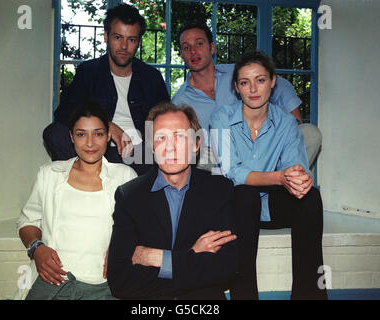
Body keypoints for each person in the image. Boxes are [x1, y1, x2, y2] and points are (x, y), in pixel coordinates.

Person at [210, 51, 328, 300]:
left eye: (260, 80)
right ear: (236, 87)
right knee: (244, 193)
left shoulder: (286, 123)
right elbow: (232, 172)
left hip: (273, 205)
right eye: (245, 82)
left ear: (273, 82)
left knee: (311, 198)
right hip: (237, 210)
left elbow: (294, 166)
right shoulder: (221, 118)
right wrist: (278, 177)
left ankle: (309, 296)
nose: (253, 89)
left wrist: (298, 179)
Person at [107, 102, 250, 299]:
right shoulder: (130, 196)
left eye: (180, 137)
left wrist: (158, 258)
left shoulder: (218, 190)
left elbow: (225, 268)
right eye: (161, 138)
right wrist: (192, 255)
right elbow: (120, 281)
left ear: (196, 144)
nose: (170, 148)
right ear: (151, 146)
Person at [14, 101, 137, 300]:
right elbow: (27, 221)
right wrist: (37, 248)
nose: (90, 143)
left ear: (108, 137)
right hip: (54, 283)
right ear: (71, 136)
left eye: (98, 134)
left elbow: (140, 228)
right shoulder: (50, 174)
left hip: (107, 287)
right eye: (81, 134)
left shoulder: (125, 177)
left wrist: (120, 247)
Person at [172, 21, 321, 170]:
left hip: (262, 148)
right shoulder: (179, 101)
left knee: (309, 134)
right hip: (219, 158)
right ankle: (253, 183)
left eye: (199, 44)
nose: (193, 51)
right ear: (182, 55)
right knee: (198, 158)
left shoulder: (238, 72)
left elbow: (279, 85)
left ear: (211, 48)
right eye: (186, 47)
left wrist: (292, 119)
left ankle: (279, 184)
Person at [43, 4, 170, 175]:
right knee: (54, 133)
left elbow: (167, 121)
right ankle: (84, 180)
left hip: (140, 155)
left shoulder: (151, 77)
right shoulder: (88, 72)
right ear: (106, 36)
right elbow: (64, 114)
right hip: (97, 150)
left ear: (138, 42)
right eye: (118, 37)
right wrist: (106, 125)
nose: (124, 46)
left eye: (131, 39)